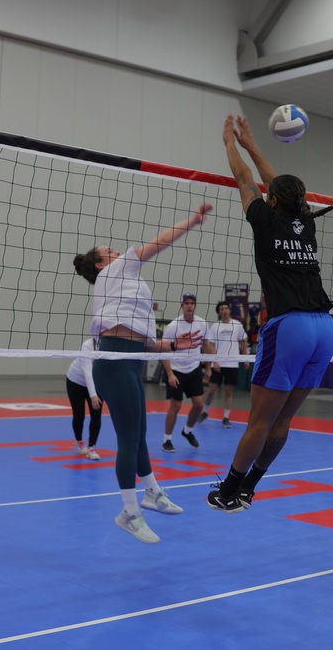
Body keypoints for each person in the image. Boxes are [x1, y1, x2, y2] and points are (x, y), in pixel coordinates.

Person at [207, 114, 333, 513]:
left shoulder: (264, 219)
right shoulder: (306, 222)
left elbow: (245, 179)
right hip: (325, 329)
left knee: (259, 422)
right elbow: (276, 183)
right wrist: (253, 143)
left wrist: (230, 142)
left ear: (273, 201)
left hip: (290, 327)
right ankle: (249, 488)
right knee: (282, 423)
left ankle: (229, 490)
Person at [74, 203, 210, 544]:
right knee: (127, 439)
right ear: (100, 263)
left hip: (131, 362)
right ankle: (129, 513)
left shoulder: (129, 286)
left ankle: (152, 493)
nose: (117, 250)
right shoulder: (115, 271)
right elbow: (160, 242)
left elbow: (143, 343)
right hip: (114, 364)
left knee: (138, 436)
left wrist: (174, 345)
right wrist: (193, 221)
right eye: (109, 251)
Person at [161, 293, 208, 452]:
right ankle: (167, 440)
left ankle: (187, 431)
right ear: (182, 306)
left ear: (195, 306)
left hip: (194, 369)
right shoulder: (173, 326)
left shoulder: (202, 323)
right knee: (176, 405)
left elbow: (206, 345)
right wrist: (170, 374)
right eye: (186, 303)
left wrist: (208, 368)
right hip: (176, 369)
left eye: (192, 303)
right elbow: (163, 351)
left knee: (199, 405)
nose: (189, 306)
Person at [199, 300, 249, 428]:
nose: (224, 311)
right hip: (219, 363)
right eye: (222, 309)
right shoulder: (215, 326)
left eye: (226, 308)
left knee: (228, 392)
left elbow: (242, 343)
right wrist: (215, 361)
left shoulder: (237, 325)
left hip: (232, 363)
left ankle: (226, 417)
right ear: (219, 312)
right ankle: (205, 412)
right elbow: (211, 345)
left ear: (230, 310)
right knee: (211, 390)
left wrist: (246, 359)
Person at [66, 337, 103, 461]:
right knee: (79, 415)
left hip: (97, 382)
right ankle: (79, 441)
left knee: (96, 414)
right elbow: (88, 371)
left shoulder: (113, 344)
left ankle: (92, 447)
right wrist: (93, 396)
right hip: (76, 381)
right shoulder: (87, 345)